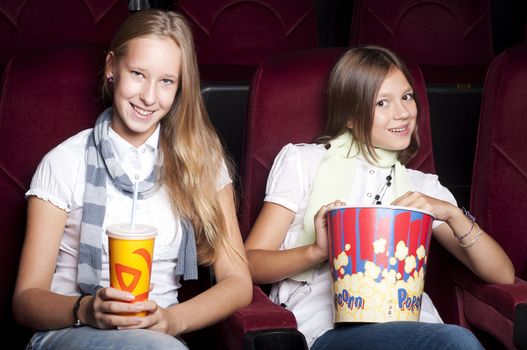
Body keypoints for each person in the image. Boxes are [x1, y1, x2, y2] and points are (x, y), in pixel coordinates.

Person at [244, 46, 515, 350]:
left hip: (417, 327)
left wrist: (451, 214)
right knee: (457, 342)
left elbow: (502, 274)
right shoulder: (304, 162)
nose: (402, 113)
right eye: (382, 103)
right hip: (330, 329)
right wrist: (317, 251)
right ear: (349, 115)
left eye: (407, 97)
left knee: (456, 341)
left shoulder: (422, 186)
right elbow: (250, 264)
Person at [12, 9, 252, 350]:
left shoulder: (201, 162)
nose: (149, 97)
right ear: (112, 68)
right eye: (138, 74)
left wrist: (172, 320)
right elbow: (25, 300)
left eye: (166, 81)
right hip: (70, 331)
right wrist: (87, 309)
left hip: (159, 337)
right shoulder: (64, 161)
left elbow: (238, 282)